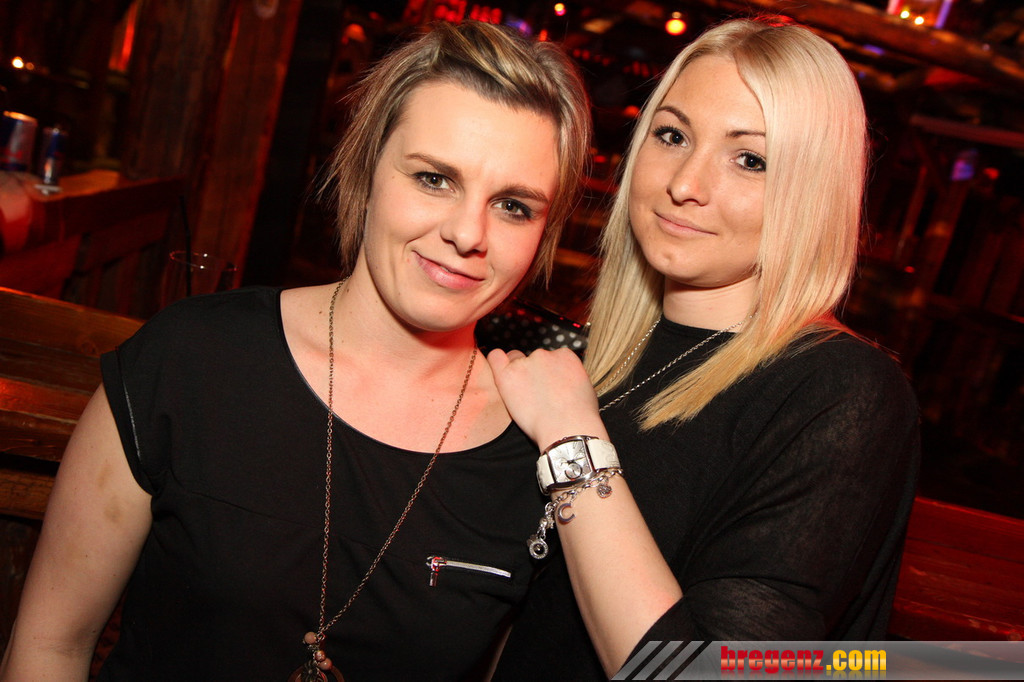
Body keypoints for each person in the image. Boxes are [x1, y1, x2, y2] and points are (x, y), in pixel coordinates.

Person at [0, 20, 590, 682]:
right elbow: (50, 646)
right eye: (433, 178)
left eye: (513, 206)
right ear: (367, 168)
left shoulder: (542, 454)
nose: (467, 232)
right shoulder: (193, 358)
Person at [487, 18, 920, 679]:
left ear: (811, 193)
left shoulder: (841, 392)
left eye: (750, 159)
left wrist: (572, 443)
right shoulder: (597, 358)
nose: (686, 183)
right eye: (673, 135)